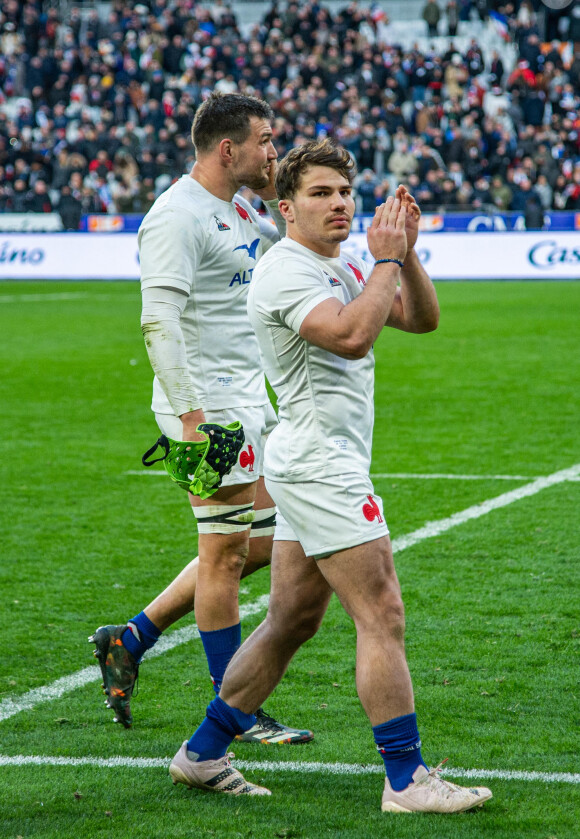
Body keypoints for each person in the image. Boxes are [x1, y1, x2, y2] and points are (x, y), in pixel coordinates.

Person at [167, 139, 493, 813]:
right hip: (322, 469)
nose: (338, 202)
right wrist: (385, 260)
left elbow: (420, 318)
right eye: (320, 193)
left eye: (344, 191)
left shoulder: (339, 263)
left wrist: (406, 249)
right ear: (286, 207)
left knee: (290, 619)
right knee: (382, 613)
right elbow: (350, 335)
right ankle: (405, 779)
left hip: (312, 462)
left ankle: (201, 753)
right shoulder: (286, 270)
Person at [89, 93, 314, 745]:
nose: (274, 150)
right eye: (265, 140)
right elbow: (158, 320)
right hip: (208, 412)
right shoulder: (175, 217)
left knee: (263, 544)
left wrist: (275, 194)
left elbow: (288, 253)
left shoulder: (238, 205)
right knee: (223, 555)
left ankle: (130, 637)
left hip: (251, 401)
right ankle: (235, 709)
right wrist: (190, 418)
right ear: (227, 149)